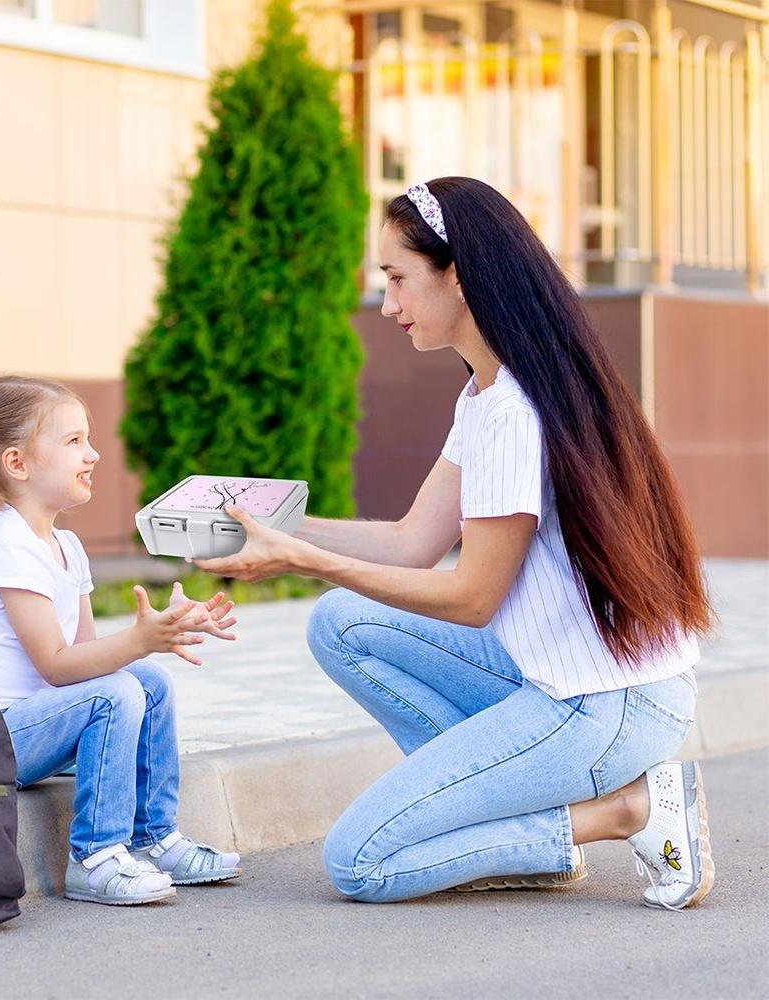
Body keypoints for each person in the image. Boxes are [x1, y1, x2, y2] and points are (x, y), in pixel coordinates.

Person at [193, 177, 715, 911]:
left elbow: (472, 599)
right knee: (342, 622)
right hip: (582, 685)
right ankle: (509, 826)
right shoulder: (488, 394)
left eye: (398, 278)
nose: (387, 304)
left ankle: (625, 811)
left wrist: (305, 560)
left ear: (459, 277)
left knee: (361, 862)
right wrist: (271, 527)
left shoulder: (513, 413)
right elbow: (410, 544)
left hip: (603, 710)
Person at [0, 375, 241, 906]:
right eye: (74, 441)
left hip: (36, 720)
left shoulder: (66, 546)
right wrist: (141, 638)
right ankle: (95, 858)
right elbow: (59, 667)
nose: (93, 454)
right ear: (18, 463)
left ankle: (154, 839)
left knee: (147, 681)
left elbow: (88, 661)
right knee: (116, 692)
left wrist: (162, 631)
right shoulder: (11, 546)